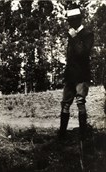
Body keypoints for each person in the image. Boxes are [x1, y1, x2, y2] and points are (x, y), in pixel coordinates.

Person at [59, 8, 95, 139]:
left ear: (78, 20)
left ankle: (83, 136)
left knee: (80, 102)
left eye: (71, 21)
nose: (69, 24)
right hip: (70, 76)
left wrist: (74, 37)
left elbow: (82, 53)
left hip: (81, 75)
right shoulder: (72, 34)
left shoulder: (87, 34)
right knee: (65, 103)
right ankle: (61, 135)